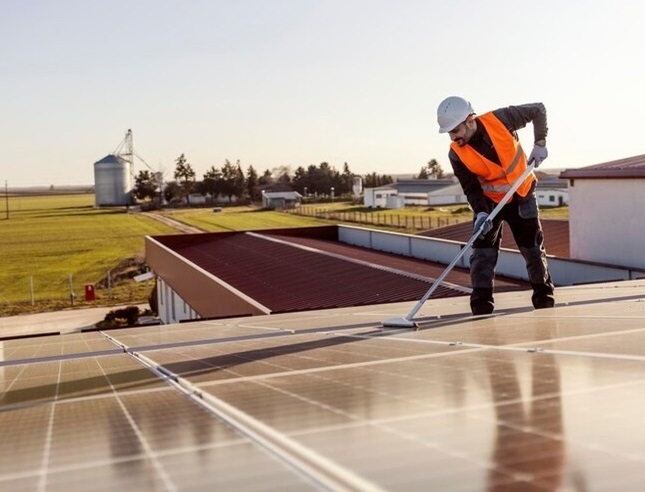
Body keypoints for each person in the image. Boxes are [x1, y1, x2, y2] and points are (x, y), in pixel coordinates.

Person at [436, 96, 555, 315]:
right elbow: (471, 188)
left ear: (470, 120)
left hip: (522, 194)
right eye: (449, 133)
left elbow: (538, 109)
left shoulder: (500, 119)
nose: (453, 137)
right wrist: (481, 213)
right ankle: (481, 306)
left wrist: (540, 143)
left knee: (533, 251)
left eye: (456, 130)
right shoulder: (456, 153)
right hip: (489, 204)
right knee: (482, 254)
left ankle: (544, 298)